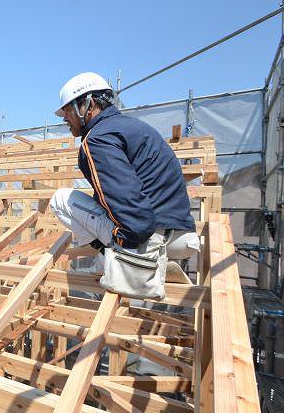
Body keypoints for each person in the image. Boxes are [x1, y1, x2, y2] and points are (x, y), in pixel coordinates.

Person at [48, 72, 200, 277]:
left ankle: (120, 259)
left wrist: (123, 251)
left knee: (60, 200)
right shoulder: (130, 127)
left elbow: (126, 199)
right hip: (180, 233)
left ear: (89, 105)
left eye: (67, 110)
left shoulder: (98, 139)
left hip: (148, 236)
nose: (65, 118)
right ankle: (125, 255)